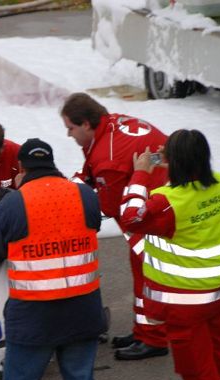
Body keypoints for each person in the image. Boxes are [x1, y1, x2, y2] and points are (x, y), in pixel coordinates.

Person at [119, 129, 220, 380]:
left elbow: (130, 217)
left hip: (185, 306)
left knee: (197, 373)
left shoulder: (167, 203)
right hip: (217, 296)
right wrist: (173, 164)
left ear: (175, 161)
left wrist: (141, 173)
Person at [0, 138, 106, 380]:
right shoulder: (84, 194)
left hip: (33, 318)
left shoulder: (13, 203)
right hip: (82, 312)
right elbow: (94, 225)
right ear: (52, 163)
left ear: (21, 167)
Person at [60, 92, 169, 360]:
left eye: (70, 128)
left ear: (85, 123)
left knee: (147, 275)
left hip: (154, 211)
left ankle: (154, 339)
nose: (68, 135)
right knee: (142, 271)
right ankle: (144, 331)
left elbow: (109, 206)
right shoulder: (110, 125)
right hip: (159, 194)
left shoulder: (108, 156)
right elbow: (92, 169)